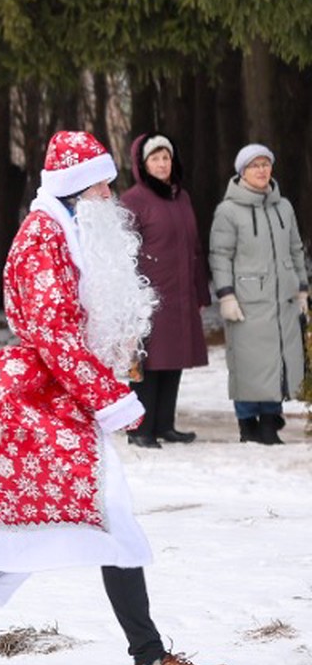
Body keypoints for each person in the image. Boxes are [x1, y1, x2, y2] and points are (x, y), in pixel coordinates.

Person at [0, 131, 230, 665]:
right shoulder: (42, 237)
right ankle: (149, 662)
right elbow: (54, 334)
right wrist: (110, 397)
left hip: (56, 399)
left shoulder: (69, 231)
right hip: (32, 402)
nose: (110, 193)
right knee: (60, 525)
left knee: (21, 532)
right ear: (76, 188)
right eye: (102, 183)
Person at [209, 142, 308, 444]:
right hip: (246, 300)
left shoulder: (283, 207)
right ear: (242, 172)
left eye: (265, 164)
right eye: (255, 166)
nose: (262, 170)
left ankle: (269, 422)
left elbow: (296, 249)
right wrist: (226, 295)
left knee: (277, 360)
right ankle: (247, 422)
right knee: (249, 363)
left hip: (282, 300)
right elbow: (220, 255)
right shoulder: (228, 211)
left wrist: (302, 289)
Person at [119, 133, 210, 447]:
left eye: (166, 158)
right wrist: (129, 297)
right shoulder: (133, 200)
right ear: (143, 164)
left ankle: (164, 424)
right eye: (155, 158)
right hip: (148, 297)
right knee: (149, 362)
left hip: (181, 293)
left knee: (174, 359)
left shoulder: (181, 198)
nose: (162, 164)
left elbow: (195, 248)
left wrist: (200, 292)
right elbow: (123, 252)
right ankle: (140, 429)